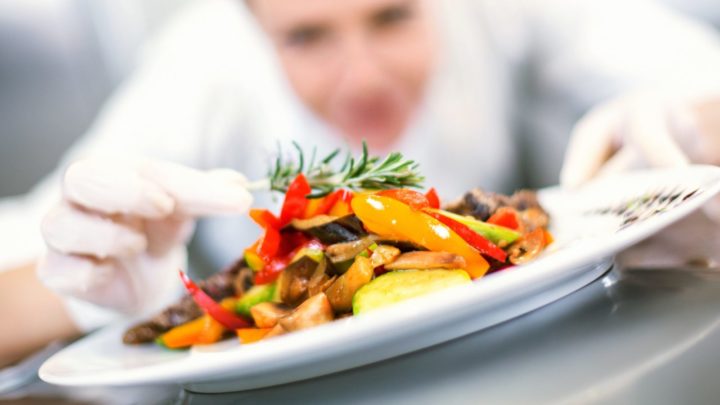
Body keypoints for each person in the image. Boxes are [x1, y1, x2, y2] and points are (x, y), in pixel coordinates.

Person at [2, 0, 720, 368]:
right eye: (307, 36)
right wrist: (77, 285)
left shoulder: (490, 8)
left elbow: (694, 71)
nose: (365, 75)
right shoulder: (203, 61)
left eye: (392, 14)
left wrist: (686, 127)